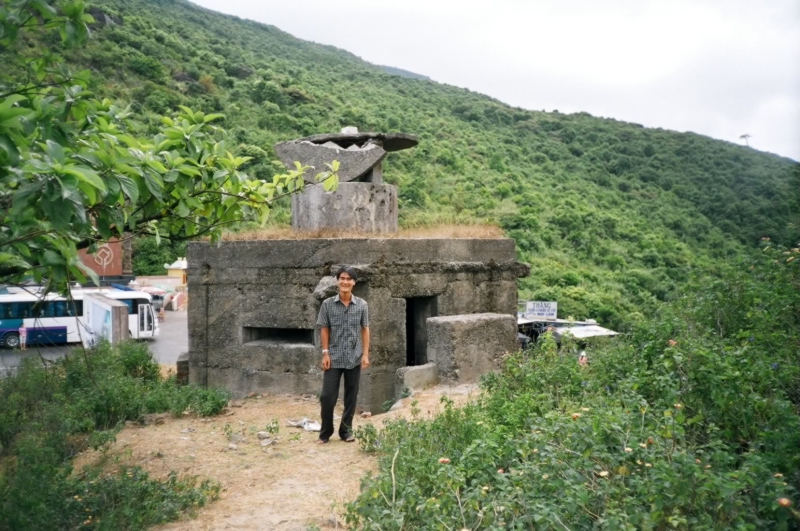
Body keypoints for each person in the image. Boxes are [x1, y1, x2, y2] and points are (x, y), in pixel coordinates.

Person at [316, 266, 370, 444]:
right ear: (337, 281)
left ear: (354, 282)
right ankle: (325, 433)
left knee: (351, 396)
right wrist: (325, 353)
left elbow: (365, 329)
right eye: (342, 278)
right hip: (333, 357)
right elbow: (324, 328)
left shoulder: (362, 305)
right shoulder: (327, 304)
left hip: (354, 357)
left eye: (349, 279)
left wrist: (365, 354)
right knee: (327, 396)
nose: (345, 282)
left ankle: (346, 432)